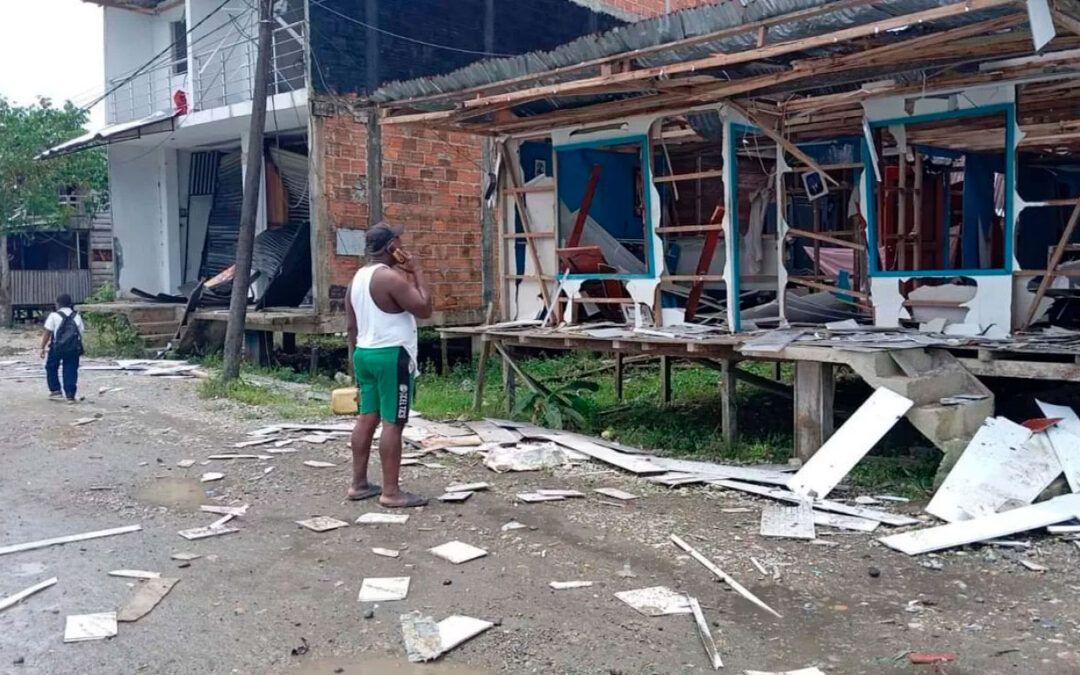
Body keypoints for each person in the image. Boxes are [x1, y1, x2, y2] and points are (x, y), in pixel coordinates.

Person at [346, 222, 433, 508]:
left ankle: (358, 484)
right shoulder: (389, 279)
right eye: (399, 242)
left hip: (364, 353)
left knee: (366, 417)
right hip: (391, 356)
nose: (402, 247)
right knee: (393, 423)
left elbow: (351, 325)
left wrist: (355, 363)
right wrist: (417, 271)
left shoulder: (357, 278)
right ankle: (391, 492)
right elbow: (424, 308)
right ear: (391, 247)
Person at [40, 293, 85, 402]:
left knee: (51, 367)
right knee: (70, 369)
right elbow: (81, 333)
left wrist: (42, 347)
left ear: (58, 303)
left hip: (57, 347)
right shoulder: (76, 316)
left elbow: (47, 333)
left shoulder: (54, 316)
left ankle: (55, 390)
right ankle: (70, 394)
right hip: (73, 348)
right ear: (70, 304)